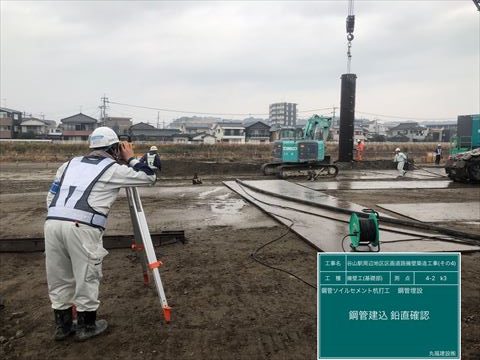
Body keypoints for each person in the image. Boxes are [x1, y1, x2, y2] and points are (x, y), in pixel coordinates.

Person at [45, 127, 156, 342]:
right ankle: (87, 326)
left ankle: (63, 327)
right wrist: (131, 158)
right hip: (82, 227)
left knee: (59, 277)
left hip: (52, 224)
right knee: (87, 275)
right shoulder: (111, 169)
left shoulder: (68, 164)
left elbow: (50, 197)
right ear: (115, 148)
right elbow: (148, 177)